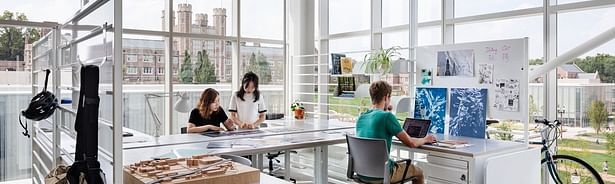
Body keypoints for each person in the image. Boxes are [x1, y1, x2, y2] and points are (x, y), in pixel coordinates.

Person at [355, 81, 436, 184]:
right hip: (382, 174)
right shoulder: (387, 117)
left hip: (362, 172)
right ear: (386, 97)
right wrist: (426, 139)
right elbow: (411, 143)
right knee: (418, 172)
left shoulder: (361, 117)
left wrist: (386, 112)